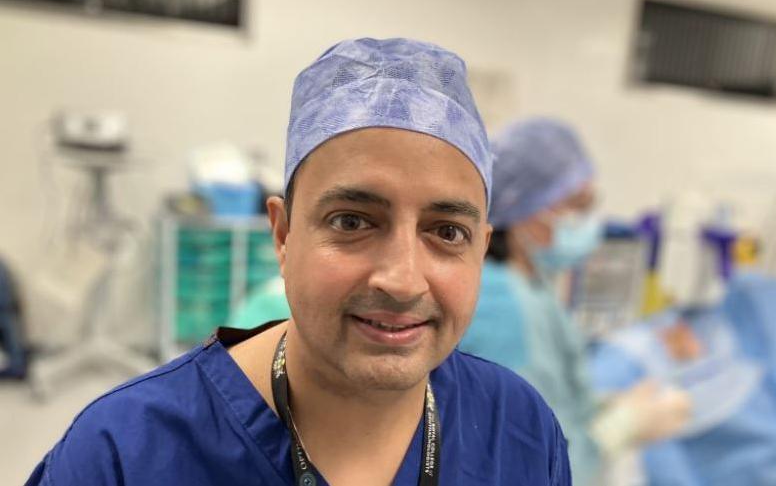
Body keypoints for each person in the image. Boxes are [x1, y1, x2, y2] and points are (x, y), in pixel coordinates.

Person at [26, 39, 573, 485]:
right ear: (284, 235)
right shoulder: (124, 454)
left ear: (481, 248)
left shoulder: (519, 429)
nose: (403, 280)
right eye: (353, 222)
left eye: (446, 231)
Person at [460, 117, 691, 484]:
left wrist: (604, 408)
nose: (586, 224)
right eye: (576, 206)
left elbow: (551, 404)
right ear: (523, 209)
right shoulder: (501, 304)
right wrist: (621, 427)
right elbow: (521, 454)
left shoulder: (531, 286)